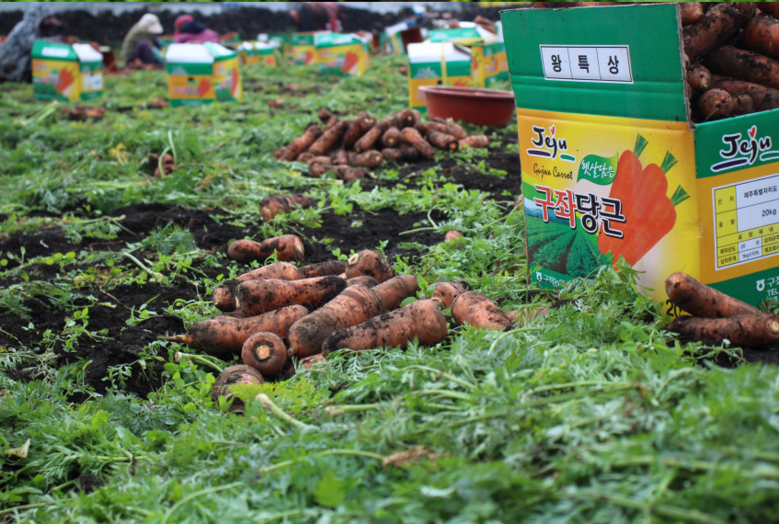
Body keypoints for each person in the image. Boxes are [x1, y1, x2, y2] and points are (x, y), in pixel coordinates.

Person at [0, 4, 63, 83]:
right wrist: (52, 40)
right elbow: (31, 45)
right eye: (48, 18)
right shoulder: (23, 27)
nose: (49, 21)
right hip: (11, 65)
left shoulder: (37, 29)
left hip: (21, 62)